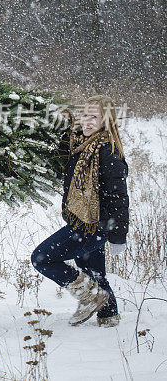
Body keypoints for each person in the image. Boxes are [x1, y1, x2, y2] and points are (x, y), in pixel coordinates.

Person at [31, 95, 130, 327]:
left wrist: (117, 235)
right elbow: (60, 142)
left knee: (42, 258)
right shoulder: (80, 145)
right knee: (95, 275)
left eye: (94, 117)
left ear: (106, 121)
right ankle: (109, 319)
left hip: (93, 226)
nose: (87, 121)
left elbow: (119, 198)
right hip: (83, 221)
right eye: (84, 115)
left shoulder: (108, 153)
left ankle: (89, 296)